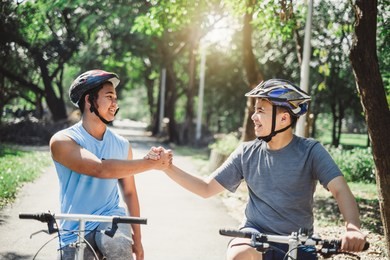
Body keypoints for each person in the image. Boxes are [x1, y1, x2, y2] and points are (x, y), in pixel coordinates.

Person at [147, 79, 367, 260]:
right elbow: (206, 188)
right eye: (254, 110)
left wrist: (352, 228)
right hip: (254, 236)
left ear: (283, 118)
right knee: (240, 254)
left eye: (260, 110)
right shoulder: (247, 152)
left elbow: (340, 190)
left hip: (298, 240)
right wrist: (168, 168)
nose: (253, 116)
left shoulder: (310, 151)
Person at [50, 69, 172, 260]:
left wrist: (138, 242)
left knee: (116, 244)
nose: (115, 103)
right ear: (89, 100)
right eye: (109, 97)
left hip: (110, 218)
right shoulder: (62, 141)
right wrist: (150, 164)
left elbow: (129, 192)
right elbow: (100, 169)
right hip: (74, 228)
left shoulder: (122, 145)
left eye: (115, 97)